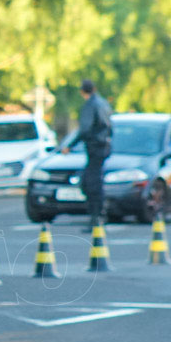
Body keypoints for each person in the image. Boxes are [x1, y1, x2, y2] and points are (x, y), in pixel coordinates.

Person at [62, 79, 113, 231]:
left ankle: (96, 218)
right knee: (95, 180)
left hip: (94, 147)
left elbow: (85, 129)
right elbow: (110, 126)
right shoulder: (103, 103)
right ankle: (99, 215)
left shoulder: (90, 106)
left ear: (82, 92)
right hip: (103, 147)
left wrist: (70, 146)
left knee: (90, 183)